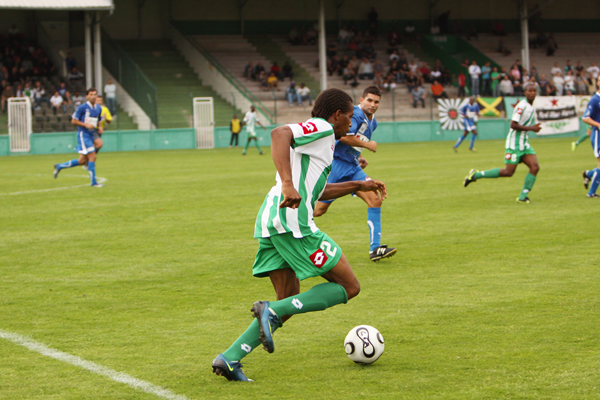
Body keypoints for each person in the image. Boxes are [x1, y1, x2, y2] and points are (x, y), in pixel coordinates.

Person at [211, 88, 388, 382]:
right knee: (349, 286)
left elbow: (318, 190)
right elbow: (279, 133)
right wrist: (288, 184)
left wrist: (358, 186)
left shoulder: (325, 143)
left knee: (288, 300)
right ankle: (270, 311)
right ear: (337, 115)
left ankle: (229, 357)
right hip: (293, 222)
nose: (352, 123)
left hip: (272, 220)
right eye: (349, 117)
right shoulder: (320, 127)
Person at [313, 85, 397, 261]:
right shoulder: (356, 115)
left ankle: (375, 249)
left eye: (376, 102)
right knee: (318, 210)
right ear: (361, 100)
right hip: (337, 165)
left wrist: (357, 157)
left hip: (352, 166)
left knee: (375, 198)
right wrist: (367, 145)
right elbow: (341, 136)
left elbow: (352, 143)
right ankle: (288, 224)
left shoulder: (373, 121)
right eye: (369, 100)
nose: (372, 104)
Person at [463, 83, 541, 203]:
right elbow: (513, 124)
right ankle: (475, 175)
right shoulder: (522, 106)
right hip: (514, 143)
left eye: (534, 91)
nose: (532, 93)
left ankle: (522, 197)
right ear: (524, 93)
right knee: (508, 172)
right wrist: (532, 128)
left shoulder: (530, 106)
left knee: (535, 167)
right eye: (529, 91)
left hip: (524, 143)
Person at [53, 88, 104, 187]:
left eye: (95, 94)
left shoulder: (98, 108)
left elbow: (97, 120)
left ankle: (59, 166)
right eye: (91, 94)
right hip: (83, 134)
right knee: (93, 156)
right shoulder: (82, 108)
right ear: (87, 96)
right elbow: (73, 121)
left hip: (92, 134)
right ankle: (94, 183)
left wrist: (100, 127)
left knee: (82, 161)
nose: (93, 96)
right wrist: (85, 125)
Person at [581, 75, 600, 197]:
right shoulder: (595, 99)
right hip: (598, 135)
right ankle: (591, 193)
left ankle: (589, 174)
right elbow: (585, 117)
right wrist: (598, 124)